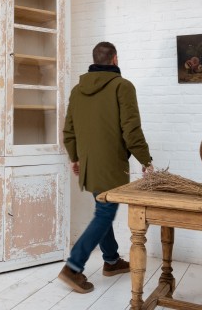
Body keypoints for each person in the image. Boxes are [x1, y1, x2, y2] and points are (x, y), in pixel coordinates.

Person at [58, 41, 153, 294]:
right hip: (111, 165)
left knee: (103, 210)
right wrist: (146, 160)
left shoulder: (78, 90)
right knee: (104, 214)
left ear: (95, 59)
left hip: (89, 165)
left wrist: (75, 158)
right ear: (115, 59)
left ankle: (111, 261)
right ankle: (74, 266)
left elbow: (69, 130)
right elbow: (131, 130)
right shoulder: (123, 86)